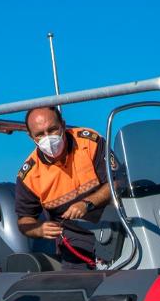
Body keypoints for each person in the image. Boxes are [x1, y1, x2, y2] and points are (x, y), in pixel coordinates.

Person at [15, 106, 116, 267]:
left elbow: (117, 182)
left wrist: (88, 203)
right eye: (40, 134)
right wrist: (39, 229)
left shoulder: (89, 141)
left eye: (52, 130)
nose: (47, 138)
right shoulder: (29, 176)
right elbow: (24, 220)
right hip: (75, 239)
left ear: (63, 125)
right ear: (31, 137)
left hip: (116, 225)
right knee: (77, 283)